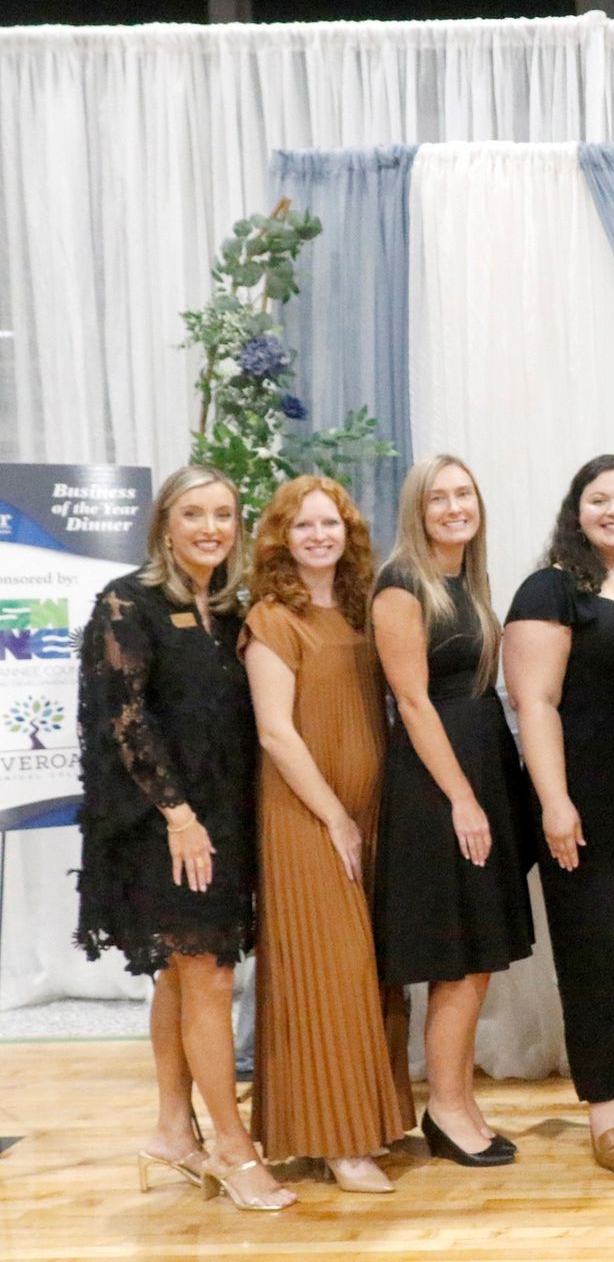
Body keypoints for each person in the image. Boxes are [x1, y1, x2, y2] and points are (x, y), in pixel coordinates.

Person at [74, 465, 294, 1212]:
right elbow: (126, 720)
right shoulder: (127, 603)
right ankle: (233, 1151)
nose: (211, 528)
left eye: (224, 515)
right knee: (210, 977)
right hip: (163, 825)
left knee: (182, 974)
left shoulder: (233, 611)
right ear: (165, 522)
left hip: (225, 818)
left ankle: (173, 1130)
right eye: (194, 513)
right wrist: (178, 816)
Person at [504, 456, 614, 1177]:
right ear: (577, 509)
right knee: (598, 950)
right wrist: (554, 799)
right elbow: (533, 702)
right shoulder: (553, 587)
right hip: (586, 799)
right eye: (599, 499)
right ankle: (605, 1111)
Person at [242, 476, 412, 1194]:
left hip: (368, 815)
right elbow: (276, 732)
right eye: (304, 525)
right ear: (282, 537)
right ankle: (339, 1143)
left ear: (349, 535)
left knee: (372, 974)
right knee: (329, 974)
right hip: (307, 817)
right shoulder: (272, 619)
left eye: (331, 524)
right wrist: (335, 816)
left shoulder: (355, 609)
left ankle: (363, 1124)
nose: (318, 536)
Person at [371, 454, 535, 1168]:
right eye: (438, 497)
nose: (453, 506)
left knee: (477, 959)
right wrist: (463, 797)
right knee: (458, 959)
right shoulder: (402, 585)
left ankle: (459, 1100)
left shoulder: (464, 580)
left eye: (463, 493)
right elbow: (410, 702)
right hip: (439, 785)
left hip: (481, 764)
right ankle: (444, 1108)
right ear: (419, 509)